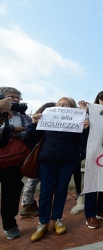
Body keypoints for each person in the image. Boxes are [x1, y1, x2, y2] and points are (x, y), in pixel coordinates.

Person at [26, 97, 89, 242]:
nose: (61, 106)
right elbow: (31, 138)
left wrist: (85, 129)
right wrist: (34, 123)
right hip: (47, 161)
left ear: (71, 109)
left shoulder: (76, 122)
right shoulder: (46, 119)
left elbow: (82, 142)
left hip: (67, 162)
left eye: (65, 105)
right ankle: (43, 223)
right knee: (45, 192)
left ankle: (57, 219)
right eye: (59, 104)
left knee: (61, 191)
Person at [79, 91, 103, 229]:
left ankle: (102, 210)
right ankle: (90, 214)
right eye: (101, 100)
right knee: (92, 184)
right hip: (93, 154)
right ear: (97, 101)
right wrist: (85, 119)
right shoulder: (88, 114)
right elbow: (82, 137)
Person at [0, 87, 31, 240]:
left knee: (11, 194)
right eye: (11, 97)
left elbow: (29, 133)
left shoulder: (23, 116)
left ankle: (10, 224)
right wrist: (11, 129)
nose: (15, 100)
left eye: (18, 98)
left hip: (12, 162)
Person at [20, 102, 56, 219]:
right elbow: (29, 138)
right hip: (38, 156)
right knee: (32, 181)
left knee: (35, 182)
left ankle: (29, 205)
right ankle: (26, 206)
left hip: (46, 156)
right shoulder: (37, 122)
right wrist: (34, 124)